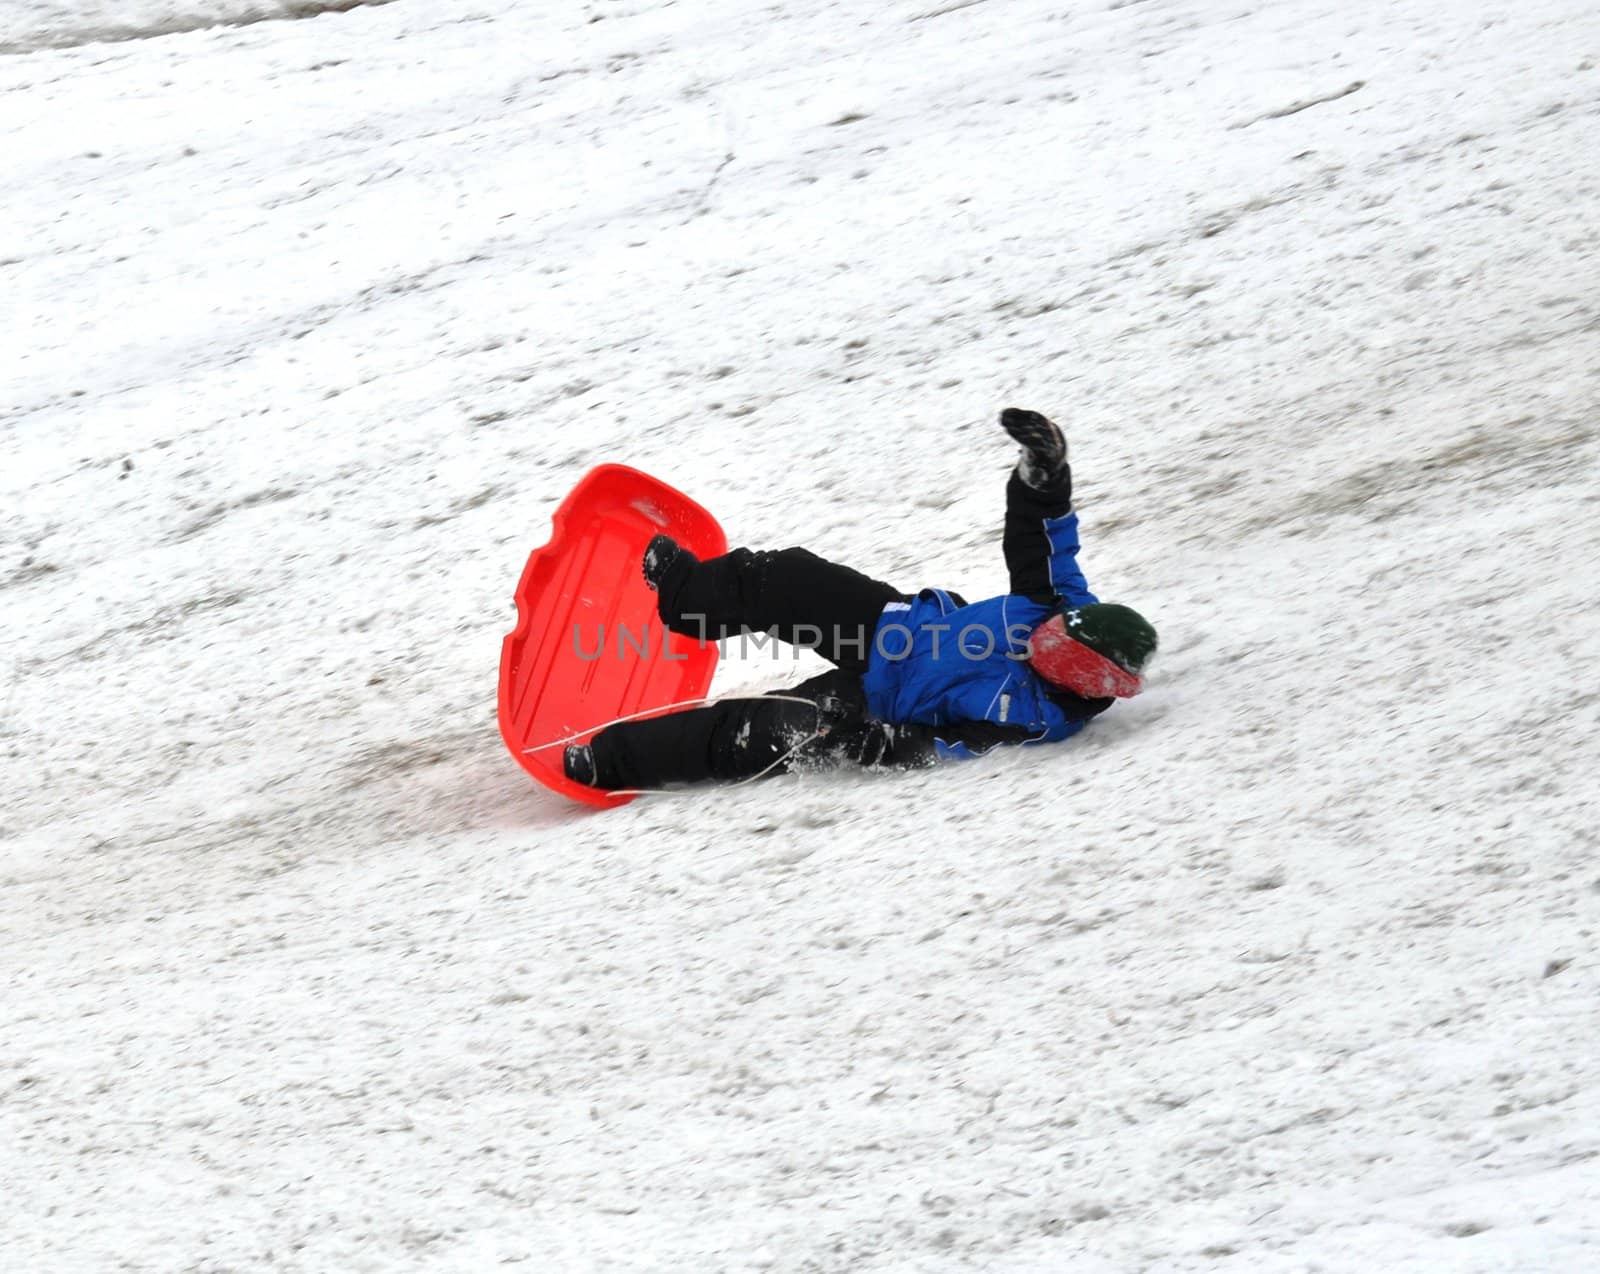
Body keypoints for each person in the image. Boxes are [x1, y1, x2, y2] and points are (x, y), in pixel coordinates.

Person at [563, 408, 1157, 791]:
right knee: (788, 578)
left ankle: (608, 761)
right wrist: (1044, 470)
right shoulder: (1057, 600)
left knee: (768, 730)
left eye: (1054, 645)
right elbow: (1043, 533)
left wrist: (877, 743)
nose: (1044, 634)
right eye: (1055, 626)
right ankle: (683, 594)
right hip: (892, 628)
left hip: (879, 703)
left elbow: (949, 747)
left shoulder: (1037, 719)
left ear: (1076, 675)